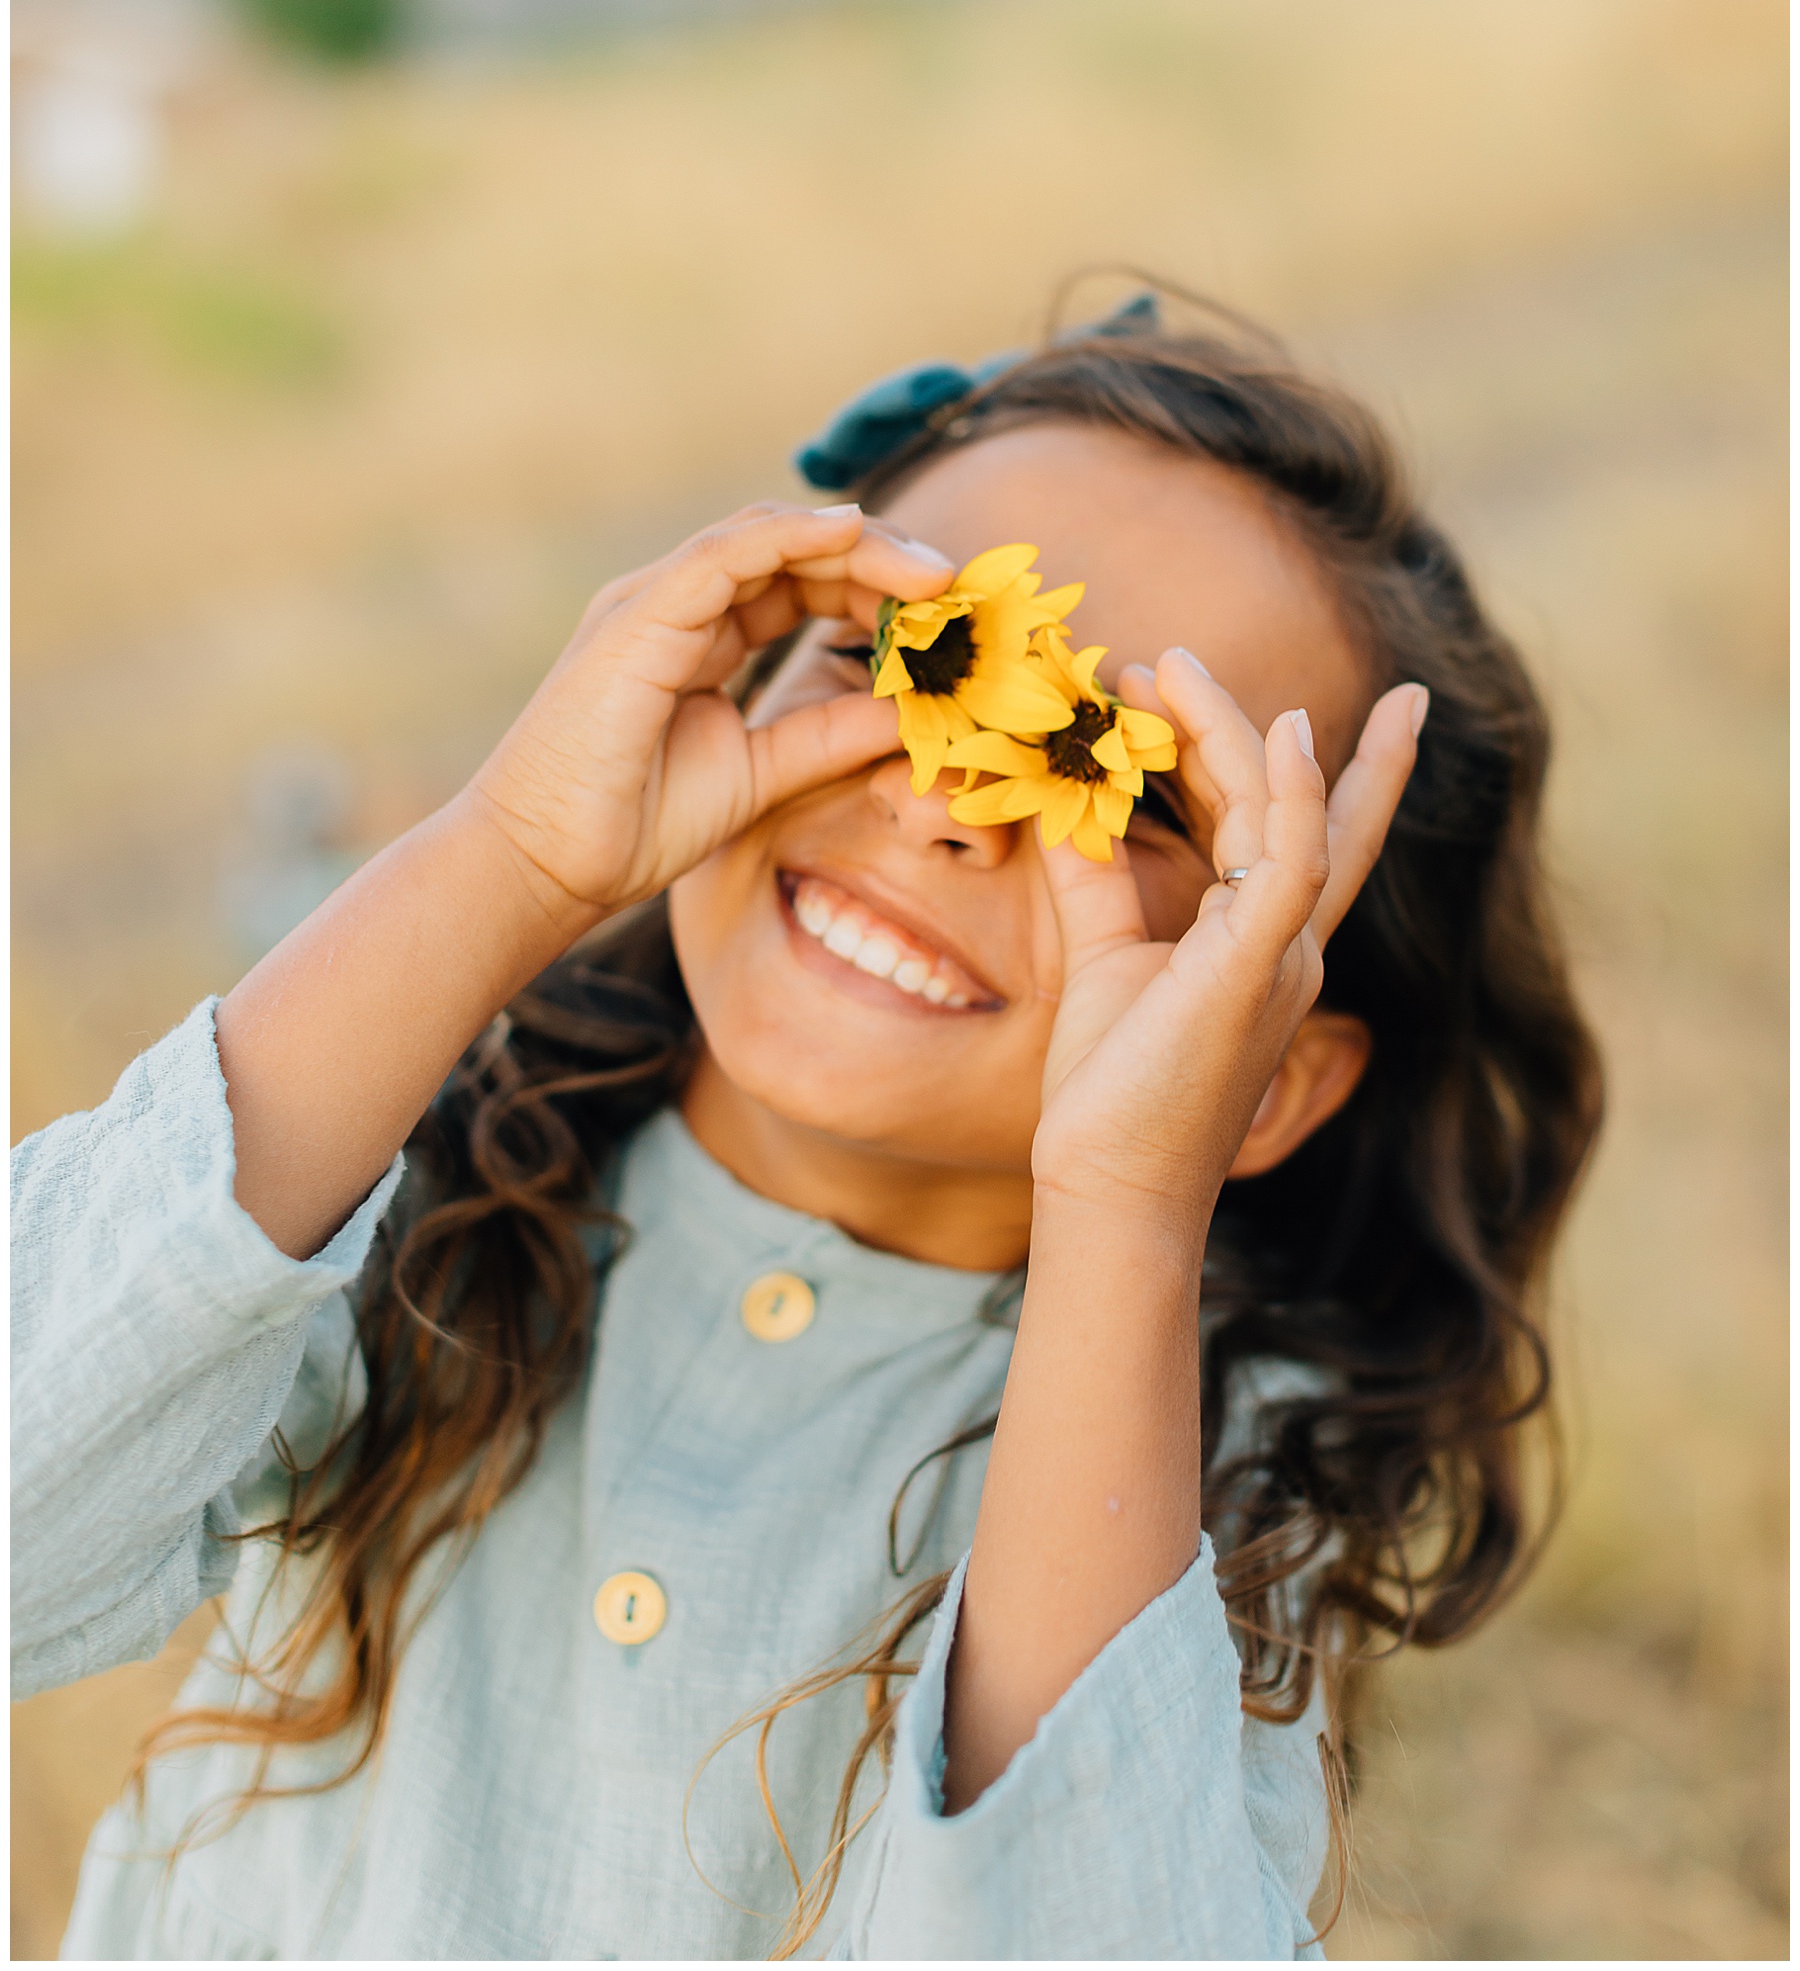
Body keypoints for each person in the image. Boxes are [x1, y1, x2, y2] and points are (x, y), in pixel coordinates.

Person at [13, 292, 1602, 1961]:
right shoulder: (407, 1184)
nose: (946, 799)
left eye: (1111, 778)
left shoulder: (1212, 1488)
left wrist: (1131, 1197)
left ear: (1265, 1076)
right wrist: (514, 853)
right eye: (920, 652)